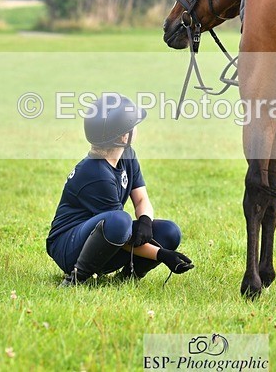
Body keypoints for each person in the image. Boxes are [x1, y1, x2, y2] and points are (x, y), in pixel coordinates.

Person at [46, 93, 194, 286]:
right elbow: (120, 232)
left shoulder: (127, 154)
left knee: (169, 232)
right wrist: (162, 254)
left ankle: (128, 278)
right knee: (120, 220)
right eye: (133, 126)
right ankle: (76, 278)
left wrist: (145, 221)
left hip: (105, 239)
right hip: (69, 247)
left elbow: (141, 199)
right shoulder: (96, 173)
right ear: (124, 136)